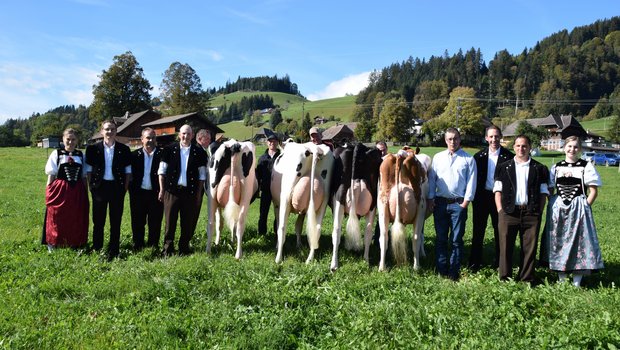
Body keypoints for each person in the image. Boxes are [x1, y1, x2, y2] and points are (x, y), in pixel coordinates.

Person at [541, 136, 604, 287]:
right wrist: (553, 204)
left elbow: (593, 191)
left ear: (580, 149)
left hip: (579, 209)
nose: (572, 149)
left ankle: (577, 281)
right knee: (558, 241)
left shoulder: (585, 166)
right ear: (564, 148)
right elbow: (550, 189)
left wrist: (585, 206)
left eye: (575, 147)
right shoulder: (556, 167)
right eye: (569, 146)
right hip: (559, 210)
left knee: (580, 243)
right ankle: (561, 279)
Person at [493, 134, 549, 284]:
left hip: (531, 213)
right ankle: (505, 277)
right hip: (508, 212)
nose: (521, 149)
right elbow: (497, 191)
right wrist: (500, 211)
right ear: (514, 147)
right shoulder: (503, 167)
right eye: (518, 146)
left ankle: (527, 278)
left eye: (524, 146)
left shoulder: (540, 168)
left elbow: (544, 192)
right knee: (505, 246)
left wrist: (539, 211)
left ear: (530, 148)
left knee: (529, 248)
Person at [427, 128, 477, 280]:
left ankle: (454, 271)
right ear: (445, 140)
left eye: (455, 138)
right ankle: (442, 270)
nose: (452, 142)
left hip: (458, 204)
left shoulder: (468, 159)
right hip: (440, 203)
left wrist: (466, 202)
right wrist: (430, 199)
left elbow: (471, 182)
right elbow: (432, 180)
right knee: (441, 238)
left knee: (456, 240)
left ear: (460, 139)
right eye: (449, 139)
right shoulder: (438, 158)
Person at [158, 124, 208, 256]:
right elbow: (161, 171)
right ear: (179, 135)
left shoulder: (200, 153)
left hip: (189, 193)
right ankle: (167, 249)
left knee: (187, 222)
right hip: (171, 192)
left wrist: (198, 193)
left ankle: (184, 248)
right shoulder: (168, 150)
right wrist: (162, 190)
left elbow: (202, 175)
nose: (186, 136)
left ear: (192, 136)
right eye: (183, 133)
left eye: (188, 134)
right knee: (170, 222)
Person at [469, 125, 514, 271]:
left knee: (499, 230)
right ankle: (475, 262)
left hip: (499, 199)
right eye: (491, 136)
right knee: (478, 231)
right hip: (481, 198)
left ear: (500, 137)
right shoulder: (478, 156)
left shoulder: (509, 157)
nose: (494, 139)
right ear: (486, 138)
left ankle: (499, 263)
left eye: (496, 136)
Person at [85, 120, 132, 259]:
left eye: (112, 129)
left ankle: (114, 249)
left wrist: (125, 187)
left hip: (117, 188)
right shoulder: (93, 149)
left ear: (116, 131)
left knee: (115, 221)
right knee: (98, 221)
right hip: (99, 188)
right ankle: (97, 247)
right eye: (107, 129)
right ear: (102, 131)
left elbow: (128, 170)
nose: (109, 132)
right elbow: (88, 170)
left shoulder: (124, 149)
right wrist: (91, 186)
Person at [43, 128, 89, 250]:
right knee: (57, 216)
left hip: (77, 190)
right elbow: (51, 175)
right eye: (68, 139)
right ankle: (54, 244)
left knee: (75, 217)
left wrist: (86, 192)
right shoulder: (57, 154)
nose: (70, 142)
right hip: (60, 189)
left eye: (73, 139)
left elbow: (84, 176)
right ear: (63, 139)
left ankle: (74, 243)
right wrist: (49, 191)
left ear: (77, 140)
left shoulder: (80, 155)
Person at [129, 127, 163, 250]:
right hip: (138, 193)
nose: (150, 140)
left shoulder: (162, 154)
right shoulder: (133, 155)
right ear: (142, 139)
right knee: (137, 221)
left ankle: (153, 246)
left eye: (153, 138)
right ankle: (138, 245)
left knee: (155, 221)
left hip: (156, 193)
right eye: (148, 137)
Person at [256, 132, 281, 235]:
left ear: (277, 143)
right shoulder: (262, 158)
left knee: (278, 213)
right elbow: (258, 176)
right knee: (263, 212)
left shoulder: (281, 157)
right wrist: (257, 189)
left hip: (279, 190)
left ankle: (277, 232)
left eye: (274, 141)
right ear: (267, 143)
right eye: (270, 141)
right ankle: (262, 233)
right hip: (265, 189)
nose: (272, 143)